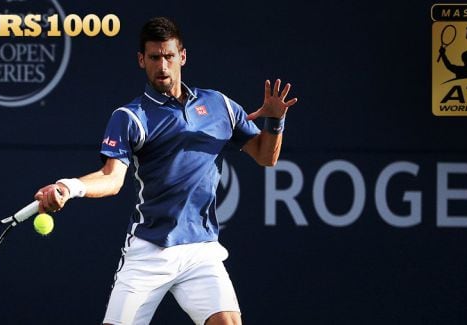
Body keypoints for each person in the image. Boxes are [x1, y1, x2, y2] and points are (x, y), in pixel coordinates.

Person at [33, 17, 297, 325]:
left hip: (201, 249)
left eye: (169, 56)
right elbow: (111, 178)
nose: (163, 66)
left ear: (182, 56)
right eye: (155, 57)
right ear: (141, 60)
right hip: (149, 250)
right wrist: (69, 187)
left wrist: (275, 121)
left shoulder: (220, 105)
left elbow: (266, 157)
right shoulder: (131, 117)